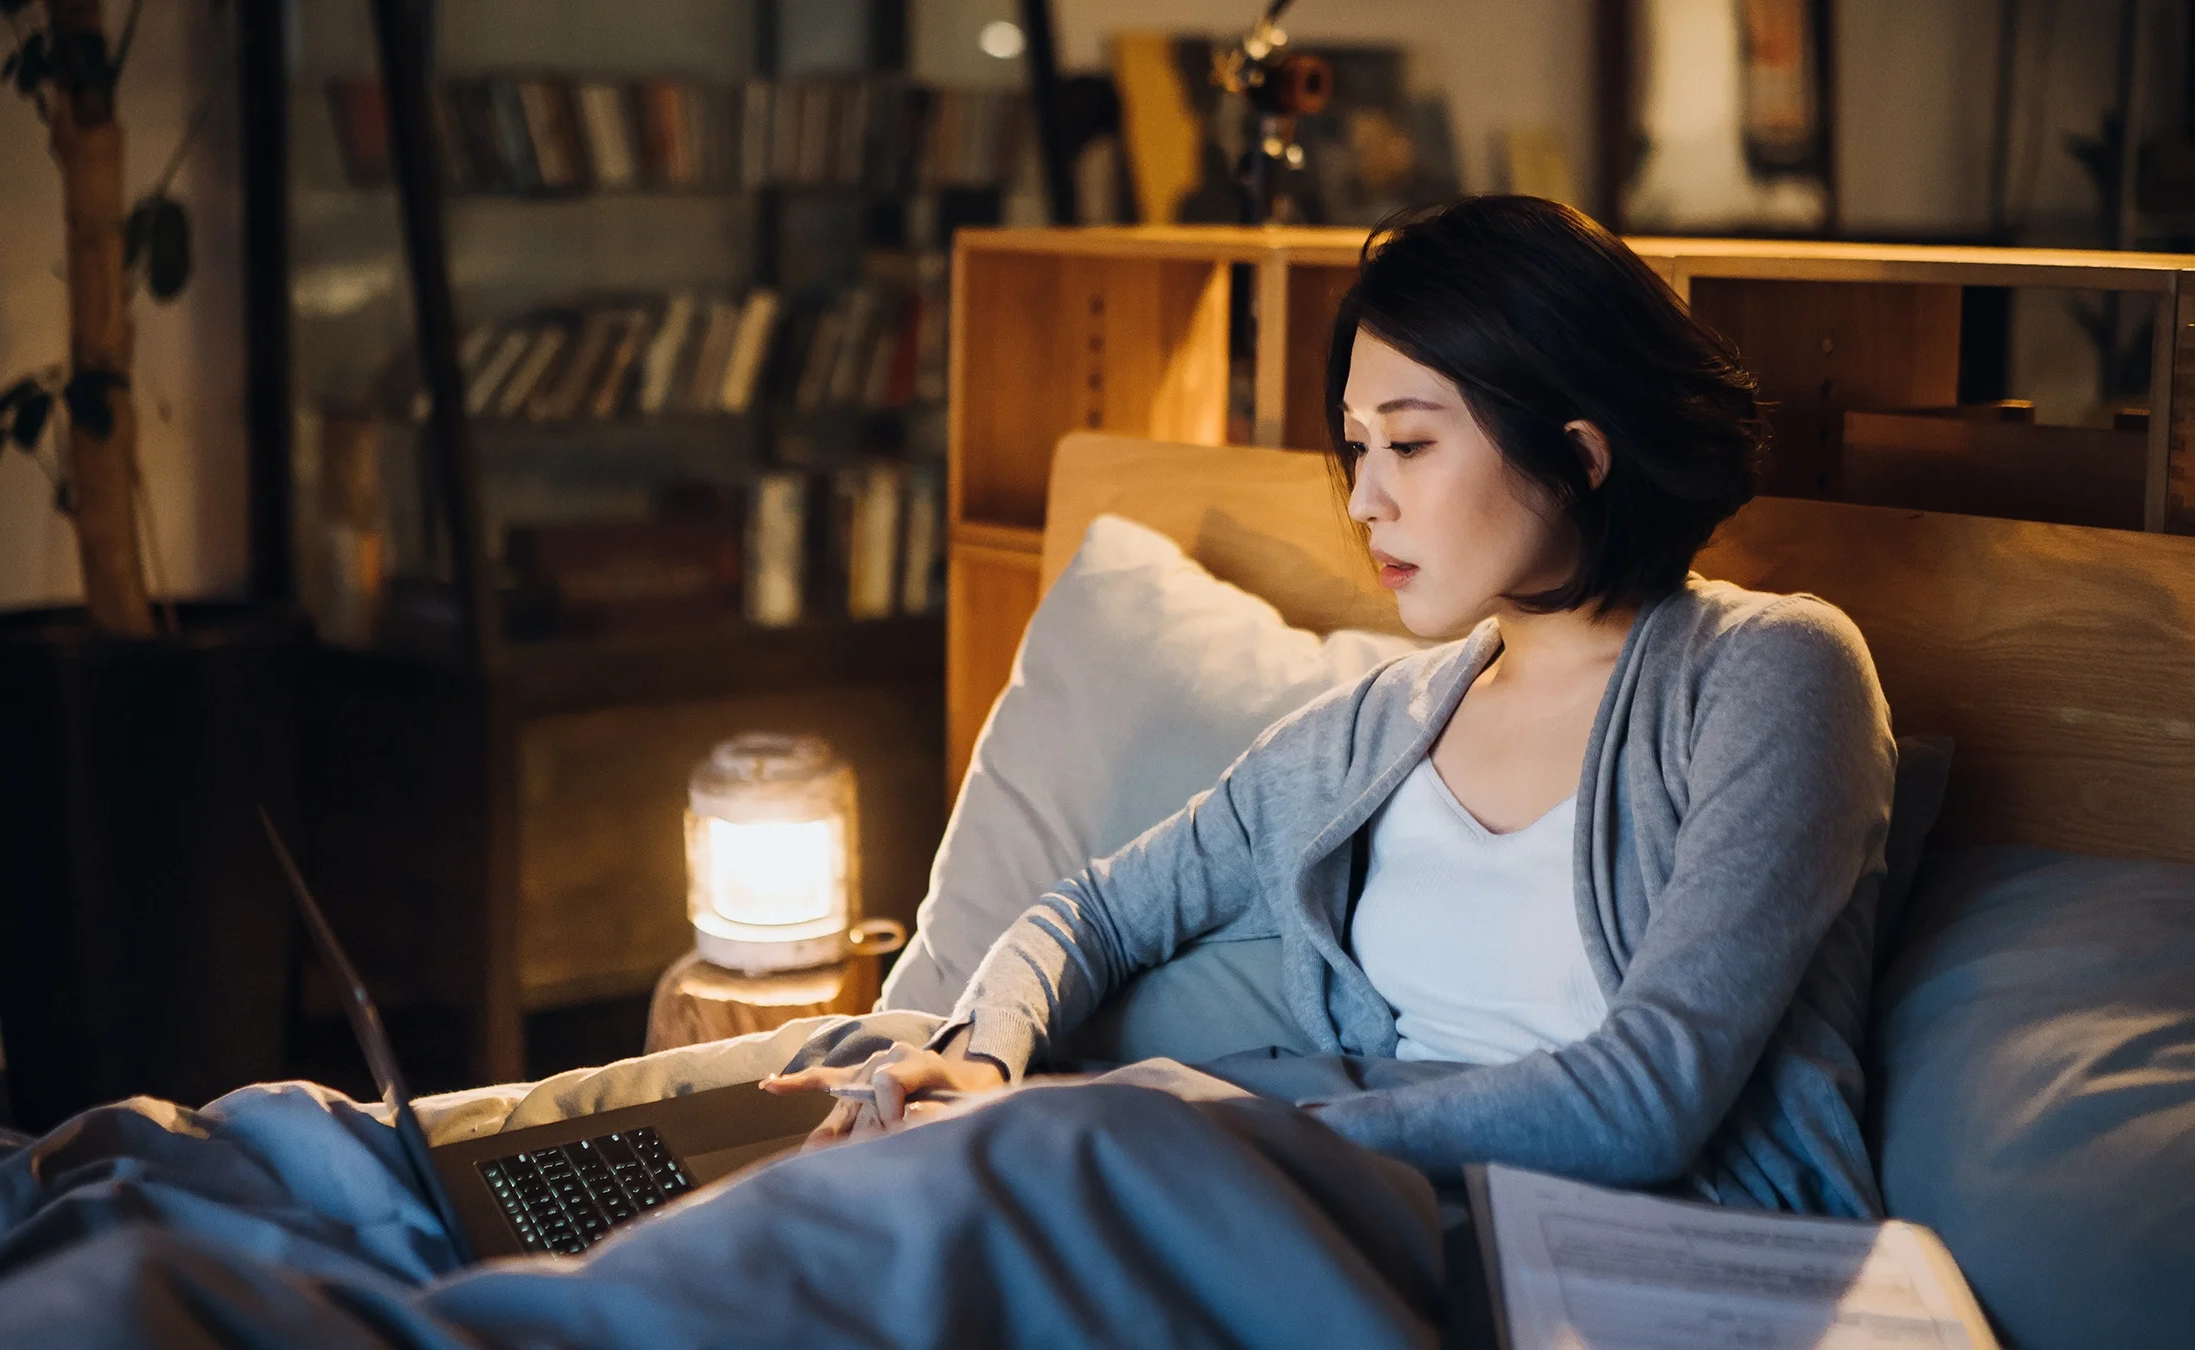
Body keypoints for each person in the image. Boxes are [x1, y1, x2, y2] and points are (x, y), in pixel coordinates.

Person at [767, 194, 1898, 1218]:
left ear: (1582, 450)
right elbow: (1093, 913)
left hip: (1625, 1246)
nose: (1364, 498)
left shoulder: (1770, 672)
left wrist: (1200, 1135)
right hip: (1348, 1206)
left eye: (1407, 442)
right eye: (1358, 447)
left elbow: (1648, 1097)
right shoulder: (1369, 735)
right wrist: (986, 1054)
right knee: (852, 1192)